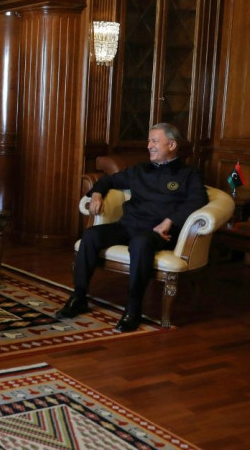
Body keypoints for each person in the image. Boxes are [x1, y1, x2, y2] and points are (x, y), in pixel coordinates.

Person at [57, 122, 208, 332]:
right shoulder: (140, 169)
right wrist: (97, 194)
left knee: (140, 242)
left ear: (172, 145)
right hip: (128, 226)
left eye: (155, 141)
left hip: (157, 233)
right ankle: (79, 296)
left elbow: (197, 201)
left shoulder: (189, 174)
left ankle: (133, 308)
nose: (149, 146)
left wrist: (169, 221)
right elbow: (107, 180)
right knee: (91, 235)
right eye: (149, 141)